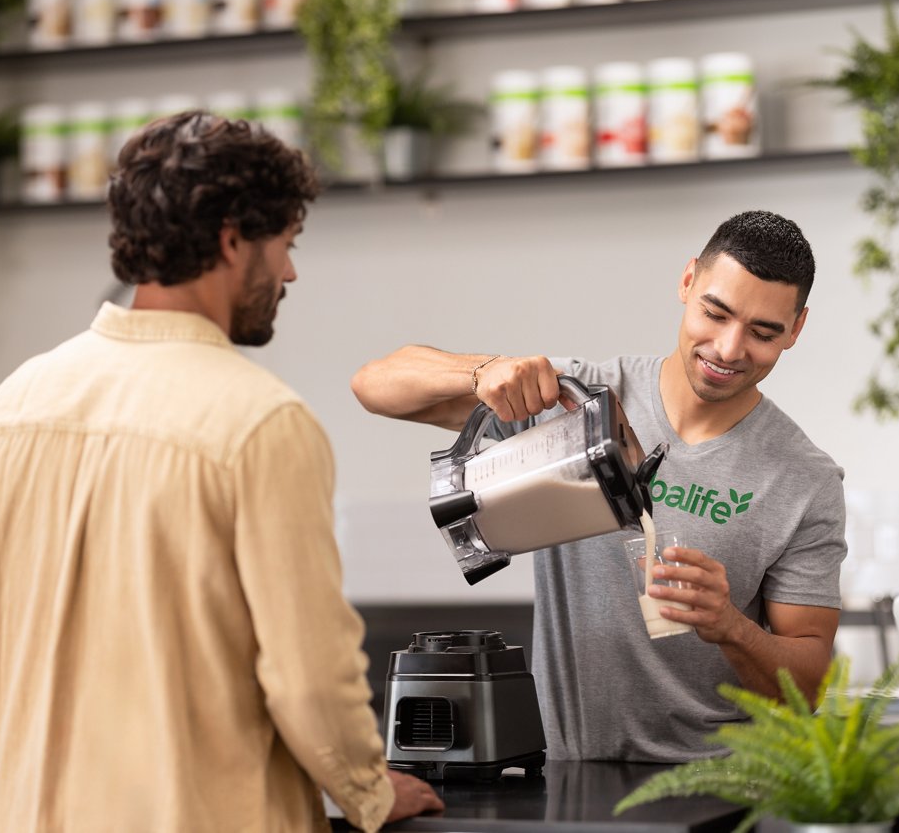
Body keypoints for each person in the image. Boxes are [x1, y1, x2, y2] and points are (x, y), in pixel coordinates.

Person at [0, 112, 443, 831]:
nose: (292, 271)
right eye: (286, 244)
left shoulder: (11, 407)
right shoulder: (262, 422)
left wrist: (33, 761)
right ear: (234, 239)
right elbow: (307, 676)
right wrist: (368, 789)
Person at [351, 210, 847, 763]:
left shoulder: (806, 479)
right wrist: (485, 371)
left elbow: (809, 685)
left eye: (763, 332)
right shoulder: (574, 400)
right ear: (687, 283)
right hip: (565, 781)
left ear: (796, 329)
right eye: (715, 313)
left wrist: (730, 626)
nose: (729, 349)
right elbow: (374, 385)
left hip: (717, 791)